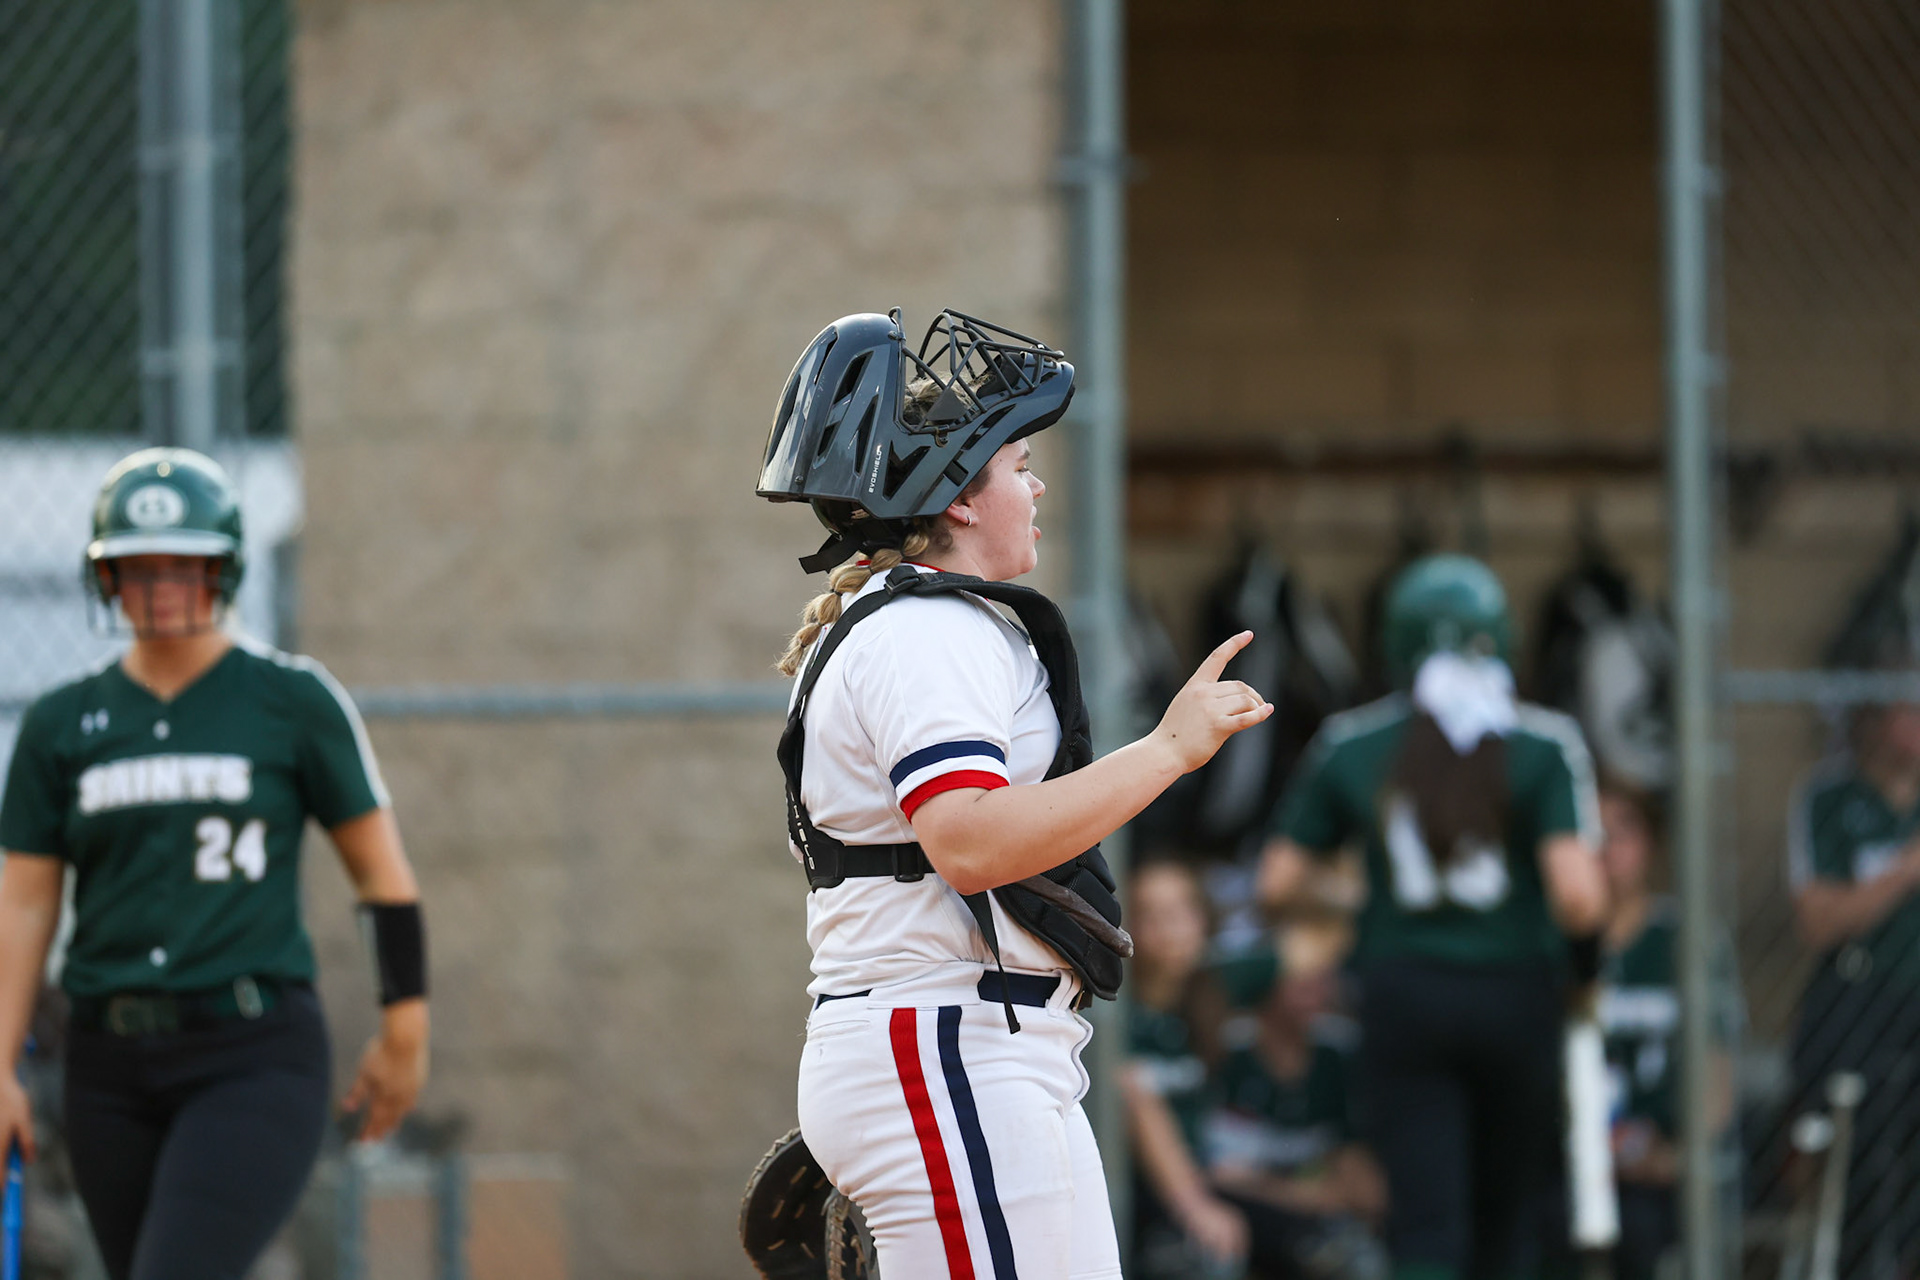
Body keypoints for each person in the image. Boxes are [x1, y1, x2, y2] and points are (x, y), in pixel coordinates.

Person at [756, 309, 1274, 1279]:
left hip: (976, 1043)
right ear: (957, 500)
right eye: (1018, 463)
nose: (1035, 486)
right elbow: (970, 841)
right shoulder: (925, 632)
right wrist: (1167, 748)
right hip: (946, 1040)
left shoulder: (921, 623)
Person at [0, 448, 430, 1280]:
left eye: (183, 566)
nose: (160, 587)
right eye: (137, 568)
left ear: (222, 570)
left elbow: (382, 877)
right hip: (106, 1064)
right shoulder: (61, 723)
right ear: (106, 578)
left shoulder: (292, 701)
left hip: (252, 1051)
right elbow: (23, 904)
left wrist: (404, 1028)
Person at [1256, 553, 1609, 1280]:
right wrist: (1584, 976)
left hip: (1404, 989)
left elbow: (1276, 882)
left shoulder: (1354, 743)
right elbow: (1577, 896)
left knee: (1424, 1225)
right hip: (1515, 991)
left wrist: (1361, 904)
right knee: (1507, 1224)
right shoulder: (1543, 743)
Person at [1786, 677, 1920, 1280]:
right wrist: (1908, 868)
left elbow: (1851, 905)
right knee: (1853, 1158)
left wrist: (1867, 896)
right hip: (1856, 999)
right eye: (1908, 706)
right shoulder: (1831, 797)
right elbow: (1820, 920)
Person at [1203, 924, 1386, 1280]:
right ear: (1266, 986)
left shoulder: (1339, 1051)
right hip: (1244, 1215)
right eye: (1301, 983)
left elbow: (1366, 1188)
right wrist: (1303, 1193)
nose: (1316, 995)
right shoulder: (1227, 1051)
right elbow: (1221, 1174)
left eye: (1322, 982)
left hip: (1317, 1215)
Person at [1122, 859, 1251, 1278]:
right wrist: (1195, 1206)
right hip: (1140, 1195)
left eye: (1183, 910)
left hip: (1206, 1175)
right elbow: (1137, 1103)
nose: (1171, 927)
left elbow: (1309, 945)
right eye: (1153, 914)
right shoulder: (1114, 1011)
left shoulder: (1210, 995)